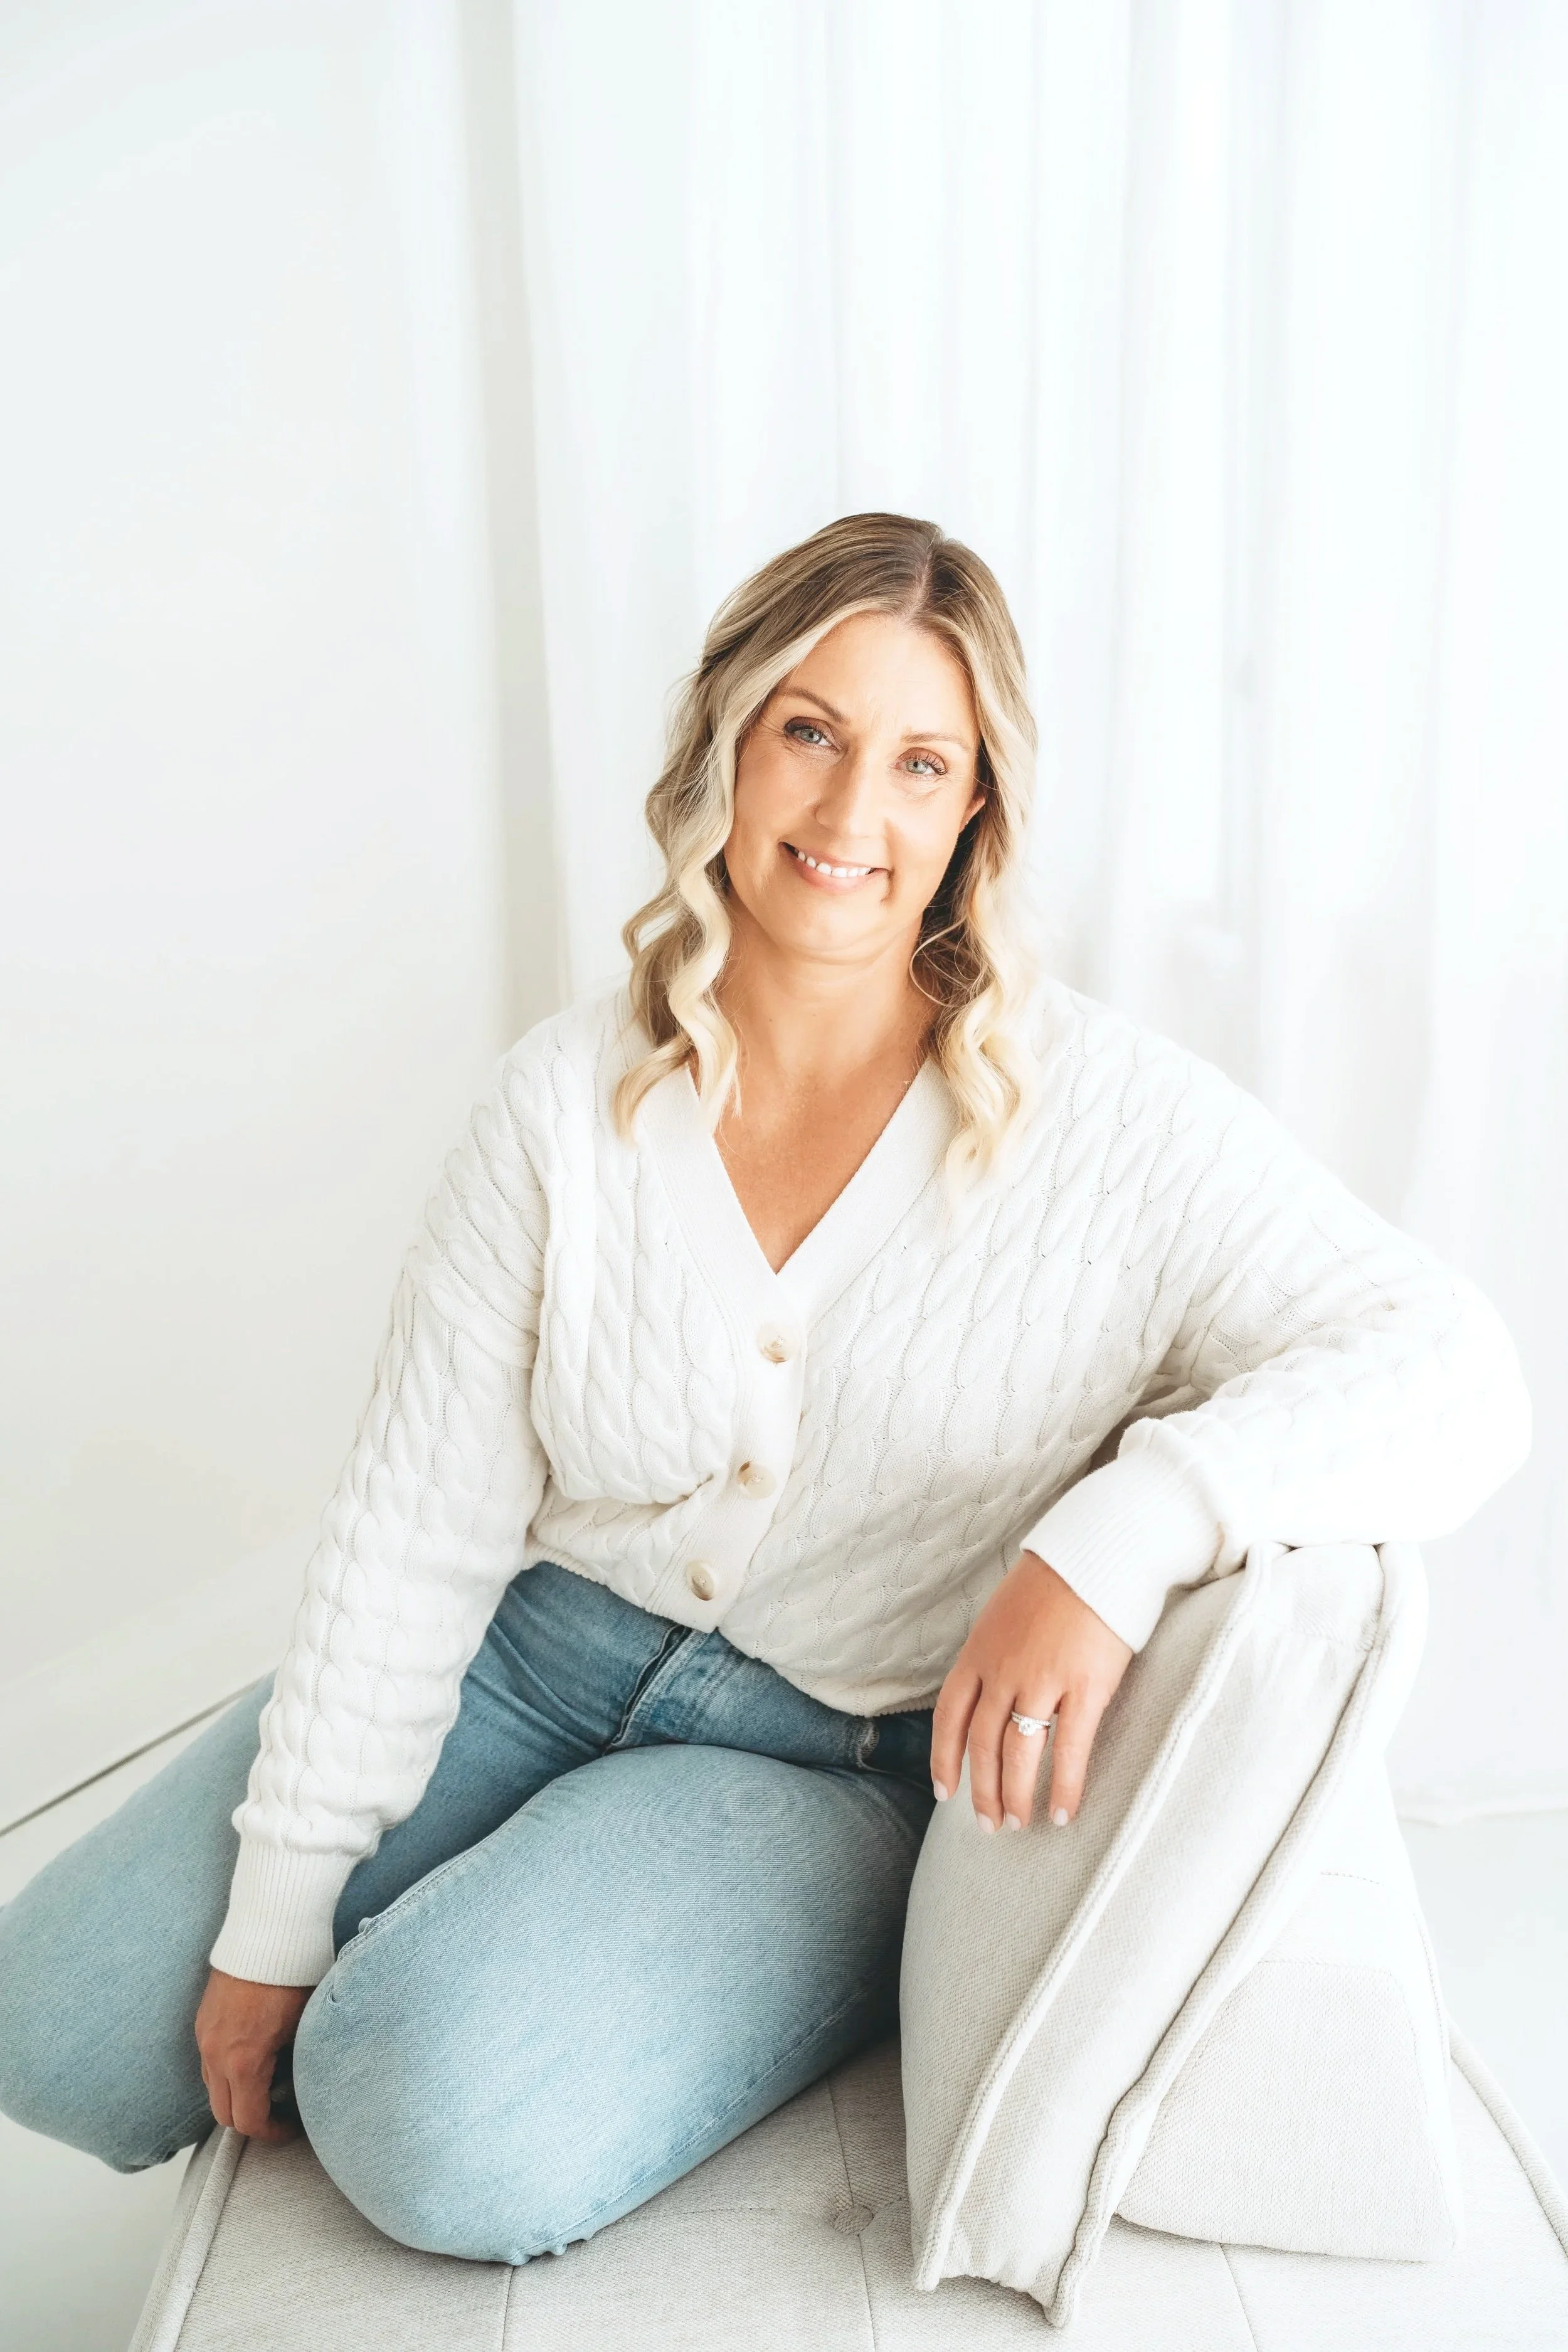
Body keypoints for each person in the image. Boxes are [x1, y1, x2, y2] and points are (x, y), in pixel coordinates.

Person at [0, 513, 1530, 2265]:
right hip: (528, 1656)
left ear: (976, 813)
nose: (847, 810)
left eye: (918, 759)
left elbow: (1452, 1361)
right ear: (726, 741)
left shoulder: (1113, 1123)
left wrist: (1124, 1530)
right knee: (53, 2023)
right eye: (808, 727)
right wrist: (276, 1912)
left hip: (824, 1757)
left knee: (420, 2109)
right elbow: (411, 1533)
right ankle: (496, 1885)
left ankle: (740, 1962)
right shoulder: (560, 1107)